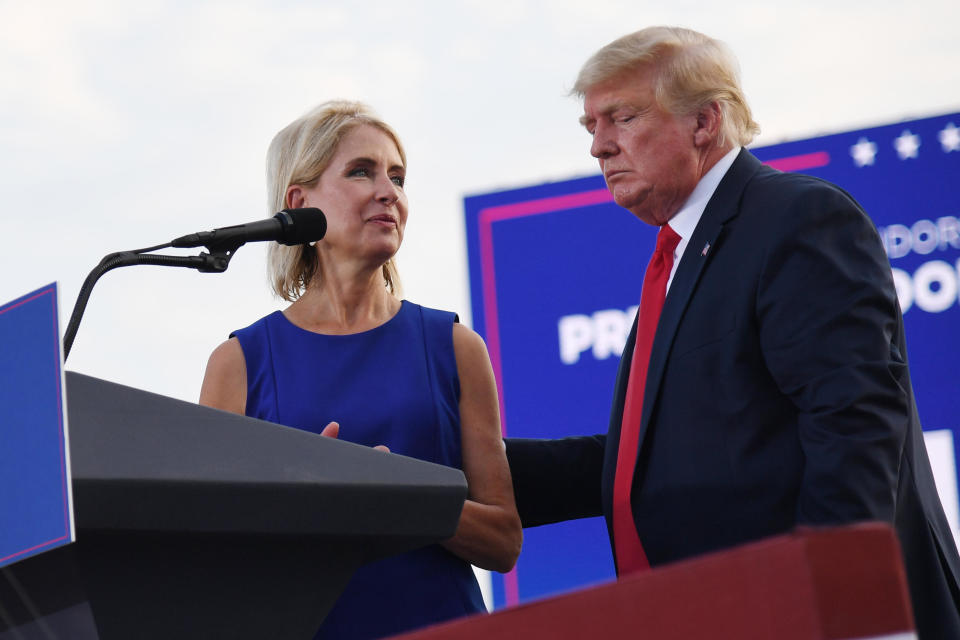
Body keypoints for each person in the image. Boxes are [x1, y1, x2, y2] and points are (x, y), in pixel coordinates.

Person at [504, 26, 960, 637]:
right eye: (592, 127)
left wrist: (830, 602)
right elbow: (642, 463)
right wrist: (457, 471)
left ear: (705, 122)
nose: (600, 147)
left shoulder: (795, 219)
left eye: (622, 118)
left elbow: (854, 419)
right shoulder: (679, 259)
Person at [199, 100, 521, 639]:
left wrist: (406, 498)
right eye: (361, 172)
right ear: (299, 203)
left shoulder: (455, 346)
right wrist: (304, 501)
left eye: (397, 177)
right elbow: (206, 558)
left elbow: (504, 540)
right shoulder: (236, 364)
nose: (388, 192)